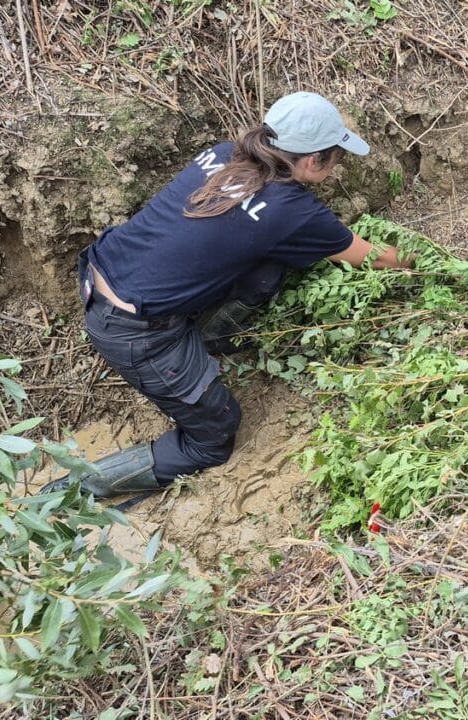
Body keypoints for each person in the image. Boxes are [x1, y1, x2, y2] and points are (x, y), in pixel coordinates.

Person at [43, 91, 411, 498]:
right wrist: (425, 260)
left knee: (270, 263)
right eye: (336, 157)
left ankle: (208, 341)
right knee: (214, 437)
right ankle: (72, 491)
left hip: (100, 274)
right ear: (312, 160)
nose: (338, 166)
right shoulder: (294, 211)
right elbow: (375, 257)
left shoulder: (223, 154)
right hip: (134, 331)